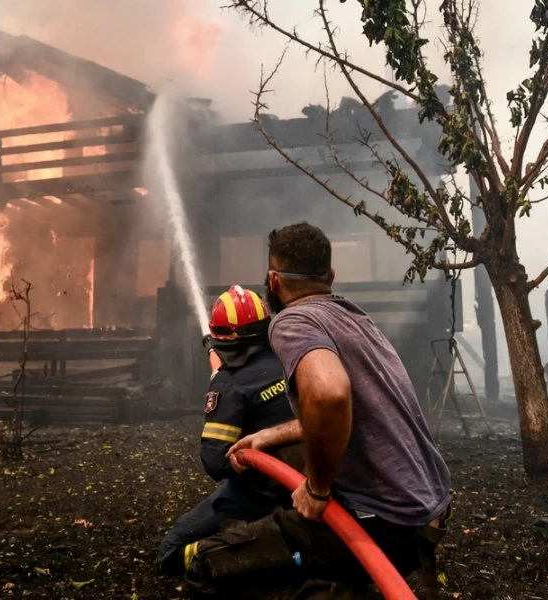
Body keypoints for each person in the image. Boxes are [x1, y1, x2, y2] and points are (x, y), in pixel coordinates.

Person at [185, 223, 452, 599]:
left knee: (208, 564)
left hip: (384, 524)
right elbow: (349, 411)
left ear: (272, 281)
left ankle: (323, 582)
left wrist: (317, 489)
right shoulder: (352, 316)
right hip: (428, 510)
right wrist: (268, 435)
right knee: (287, 462)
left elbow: (329, 397)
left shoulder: (293, 322)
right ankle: (331, 581)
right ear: (330, 277)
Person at [157, 285, 303, 575]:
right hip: (309, 485)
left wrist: (220, 385)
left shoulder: (231, 385)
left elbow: (215, 462)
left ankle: (278, 560)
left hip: (259, 492)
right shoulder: (291, 359)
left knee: (171, 551)